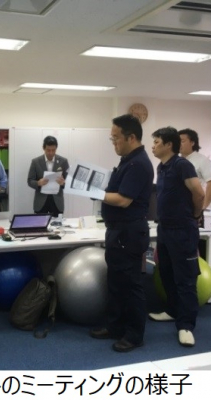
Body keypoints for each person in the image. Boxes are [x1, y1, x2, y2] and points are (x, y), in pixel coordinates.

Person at [89, 114, 153, 353]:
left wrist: (94, 193)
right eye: (112, 138)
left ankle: (135, 335)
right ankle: (115, 326)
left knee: (131, 284)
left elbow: (124, 200)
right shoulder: (128, 161)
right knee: (116, 282)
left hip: (129, 232)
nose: (113, 143)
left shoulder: (138, 164)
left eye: (116, 138)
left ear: (131, 137)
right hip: (118, 231)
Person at [149, 127, 205, 347]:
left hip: (183, 230)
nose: (153, 146)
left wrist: (196, 215)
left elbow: (199, 193)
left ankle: (186, 325)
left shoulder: (182, 165)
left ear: (169, 145)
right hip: (165, 229)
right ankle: (172, 311)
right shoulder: (161, 167)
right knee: (167, 273)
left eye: (157, 142)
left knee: (185, 280)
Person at [178, 128, 211, 220]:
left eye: (182, 141)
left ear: (192, 143)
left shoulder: (202, 160)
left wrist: (203, 207)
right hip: (179, 207)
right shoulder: (177, 161)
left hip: (194, 208)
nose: (179, 144)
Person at [27, 136, 69, 217]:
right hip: (41, 201)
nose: (51, 153)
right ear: (43, 148)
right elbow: (29, 181)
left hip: (57, 201)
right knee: (40, 224)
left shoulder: (63, 161)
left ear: (56, 149)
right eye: (48, 150)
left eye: (53, 150)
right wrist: (38, 183)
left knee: (57, 224)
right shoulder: (35, 162)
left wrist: (63, 183)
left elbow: (68, 182)